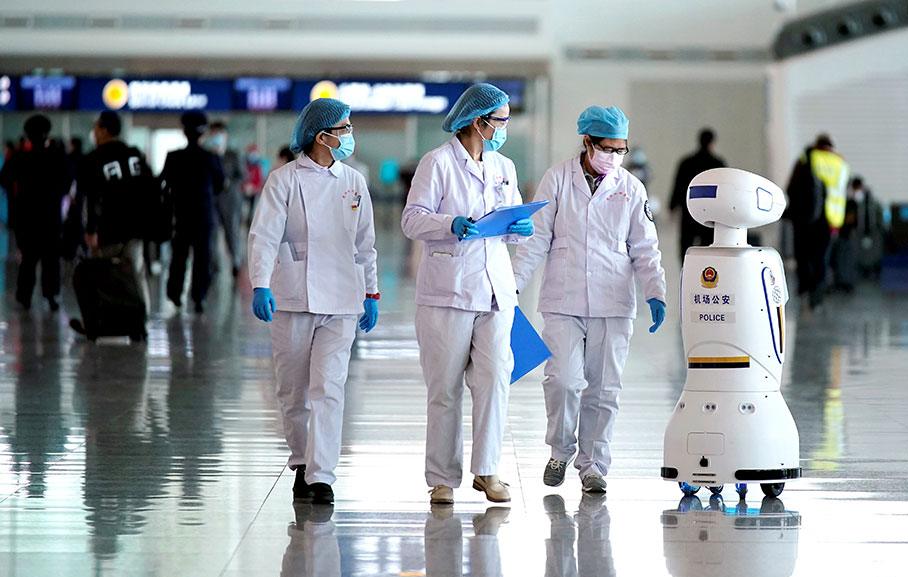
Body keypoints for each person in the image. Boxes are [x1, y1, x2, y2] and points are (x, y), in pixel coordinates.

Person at [512, 105, 666, 493]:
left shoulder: (631, 188)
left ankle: (593, 464)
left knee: (604, 388)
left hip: (614, 303)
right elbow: (535, 240)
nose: (612, 157)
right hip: (563, 299)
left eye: (620, 150)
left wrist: (656, 292)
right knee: (563, 380)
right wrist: (510, 285)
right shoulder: (557, 179)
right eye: (606, 148)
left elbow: (645, 247)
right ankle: (560, 451)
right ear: (587, 142)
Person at [401, 83, 534, 506]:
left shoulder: (504, 166)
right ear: (478, 122)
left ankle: (488, 471)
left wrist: (519, 227)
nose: (504, 129)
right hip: (448, 291)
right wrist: (450, 224)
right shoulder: (437, 163)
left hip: (496, 291)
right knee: (444, 388)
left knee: (495, 381)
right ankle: (441, 478)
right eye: (501, 121)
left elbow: (508, 214)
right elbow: (412, 220)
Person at [248, 98, 380, 506]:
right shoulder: (284, 180)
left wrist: (371, 291)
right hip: (293, 296)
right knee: (292, 391)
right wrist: (259, 284)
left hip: (342, 298)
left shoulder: (354, 181)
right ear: (322, 136)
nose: (349, 134)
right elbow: (264, 235)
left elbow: (366, 244)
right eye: (344, 128)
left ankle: (321, 475)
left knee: (329, 387)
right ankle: (302, 461)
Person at [69, 110, 157, 338]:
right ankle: (140, 323)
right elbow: (149, 188)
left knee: (107, 276)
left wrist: (89, 231)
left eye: (96, 128)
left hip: (108, 229)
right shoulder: (134, 155)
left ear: (104, 130)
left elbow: (87, 198)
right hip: (136, 227)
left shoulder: (92, 159)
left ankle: (102, 322)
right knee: (135, 274)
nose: (94, 132)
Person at [0, 114, 70, 311]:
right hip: (50, 216)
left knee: (28, 259)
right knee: (50, 259)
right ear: (47, 132)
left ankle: (24, 296)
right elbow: (66, 183)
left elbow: (4, 179)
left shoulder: (19, 157)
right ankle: (50, 295)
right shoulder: (57, 155)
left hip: (26, 217)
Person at [161, 110, 225, 313]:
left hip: (180, 214)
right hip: (203, 215)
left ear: (183, 131)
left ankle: (174, 293)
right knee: (202, 258)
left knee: (179, 255)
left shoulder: (173, 157)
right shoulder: (210, 158)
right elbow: (220, 185)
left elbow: (164, 183)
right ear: (203, 133)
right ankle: (199, 297)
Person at [784, 133, 849, 309]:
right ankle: (817, 295)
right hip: (830, 219)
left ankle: (804, 288)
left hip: (806, 218)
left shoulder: (809, 157)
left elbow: (791, 187)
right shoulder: (840, 163)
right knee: (821, 257)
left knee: (803, 255)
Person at [670, 128, 726, 256]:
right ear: (713, 143)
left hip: (689, 211)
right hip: (710, 213)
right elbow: (724, 190)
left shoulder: (686, 162)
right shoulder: (717, 163)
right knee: (707, 247)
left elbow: (678, 186)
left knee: (686, 245)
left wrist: (672, 206)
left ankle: (686, 270)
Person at [204, 122, 246, 278]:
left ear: (225, 136)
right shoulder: (207, 156)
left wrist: (228, 181)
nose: (216, 137)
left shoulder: (233, 155)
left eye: (219, 134)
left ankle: (235, 262)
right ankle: (213, 266)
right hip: (212, 200)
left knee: (231, 232)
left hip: (230, 200)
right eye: (213, 133)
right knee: (212, 233)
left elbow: (242, 175)